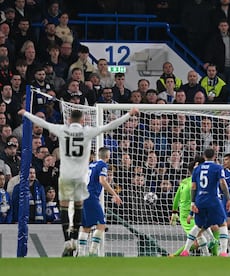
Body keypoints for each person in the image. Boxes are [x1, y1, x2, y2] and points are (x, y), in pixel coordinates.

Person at [18, 106, 139, 257]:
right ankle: (80, 244)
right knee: (78, 207)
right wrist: (128, 114)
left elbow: (42, 123)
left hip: (66, 176)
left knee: (64, 209)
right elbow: (110, 126)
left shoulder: (62, 129)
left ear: (69, 120)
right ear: (82, 121)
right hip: (81, 178)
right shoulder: (87, 131)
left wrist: (26, 114)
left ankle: (70, 240)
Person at [180, 148, 230, 257]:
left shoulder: (197, 169)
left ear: (204, 156)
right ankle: (223, 252)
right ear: (214, 156)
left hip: (200, 200)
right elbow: (222, 183)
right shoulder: (218, 168)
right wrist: (228, 199)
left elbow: (193, 187)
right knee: (222, 223)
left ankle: (186, 250)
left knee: (198, 226)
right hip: (213, 200)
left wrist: (193, 202)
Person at [77, 147, 122, 257]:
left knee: (86, 226)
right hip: (91, 196)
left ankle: (81, 253)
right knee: (101, 224)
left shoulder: (91, 165)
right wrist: (115, 194)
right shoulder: (102, 165)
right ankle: (92, 253)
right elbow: (102, 181)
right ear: (108, 156)